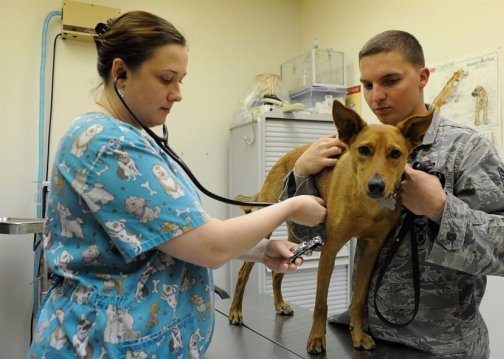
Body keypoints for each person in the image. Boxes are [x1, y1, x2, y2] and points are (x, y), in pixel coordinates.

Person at [27, 11, 327, 359]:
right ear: (120, 72)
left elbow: (169, 234)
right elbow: (209, 247)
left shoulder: (128, 138)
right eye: (167, 79)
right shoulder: (108, 144)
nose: (178, 94)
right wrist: (289, 207)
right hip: (103, 344)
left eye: (181, 80)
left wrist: (259, 251)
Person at [281, 30, 504, 358]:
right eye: (368, 85)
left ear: (422, 76)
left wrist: (441, 208)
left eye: (390, 80)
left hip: (438, 347)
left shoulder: (467, 150)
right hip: (364, 338)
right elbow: (308, 238)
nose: (377, 97)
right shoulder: (351, 150)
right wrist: (302, 176)